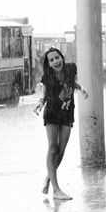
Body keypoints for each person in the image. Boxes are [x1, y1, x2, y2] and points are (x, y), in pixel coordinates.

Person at [33, 47, 88, 200]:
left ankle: (48, 178)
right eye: (51, 60)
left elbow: (72, 83)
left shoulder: (71, 68)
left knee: (61, 150)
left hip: (67, 113)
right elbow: (44, 96)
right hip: (52, 112)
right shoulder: (47, 76)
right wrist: (39, 104)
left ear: (62, 58)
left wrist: (81, 88)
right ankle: (56, 190)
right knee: (52, 147)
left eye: (57, 58)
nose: (55, 61)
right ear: (49, 64)